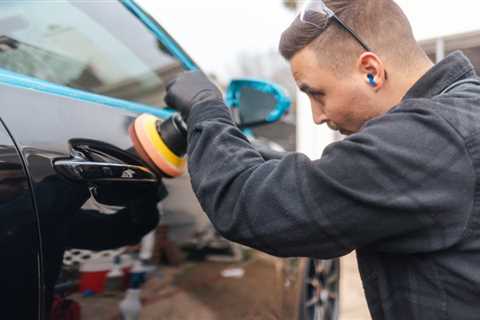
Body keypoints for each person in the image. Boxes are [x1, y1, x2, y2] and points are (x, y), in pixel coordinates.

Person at [164, 0, 480, 319]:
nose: (317, 116)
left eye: (317, 93)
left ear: (371, 72)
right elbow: (332, 177)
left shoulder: (422, 140)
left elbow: (252, 206)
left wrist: (205, 107)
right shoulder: (463, 110)